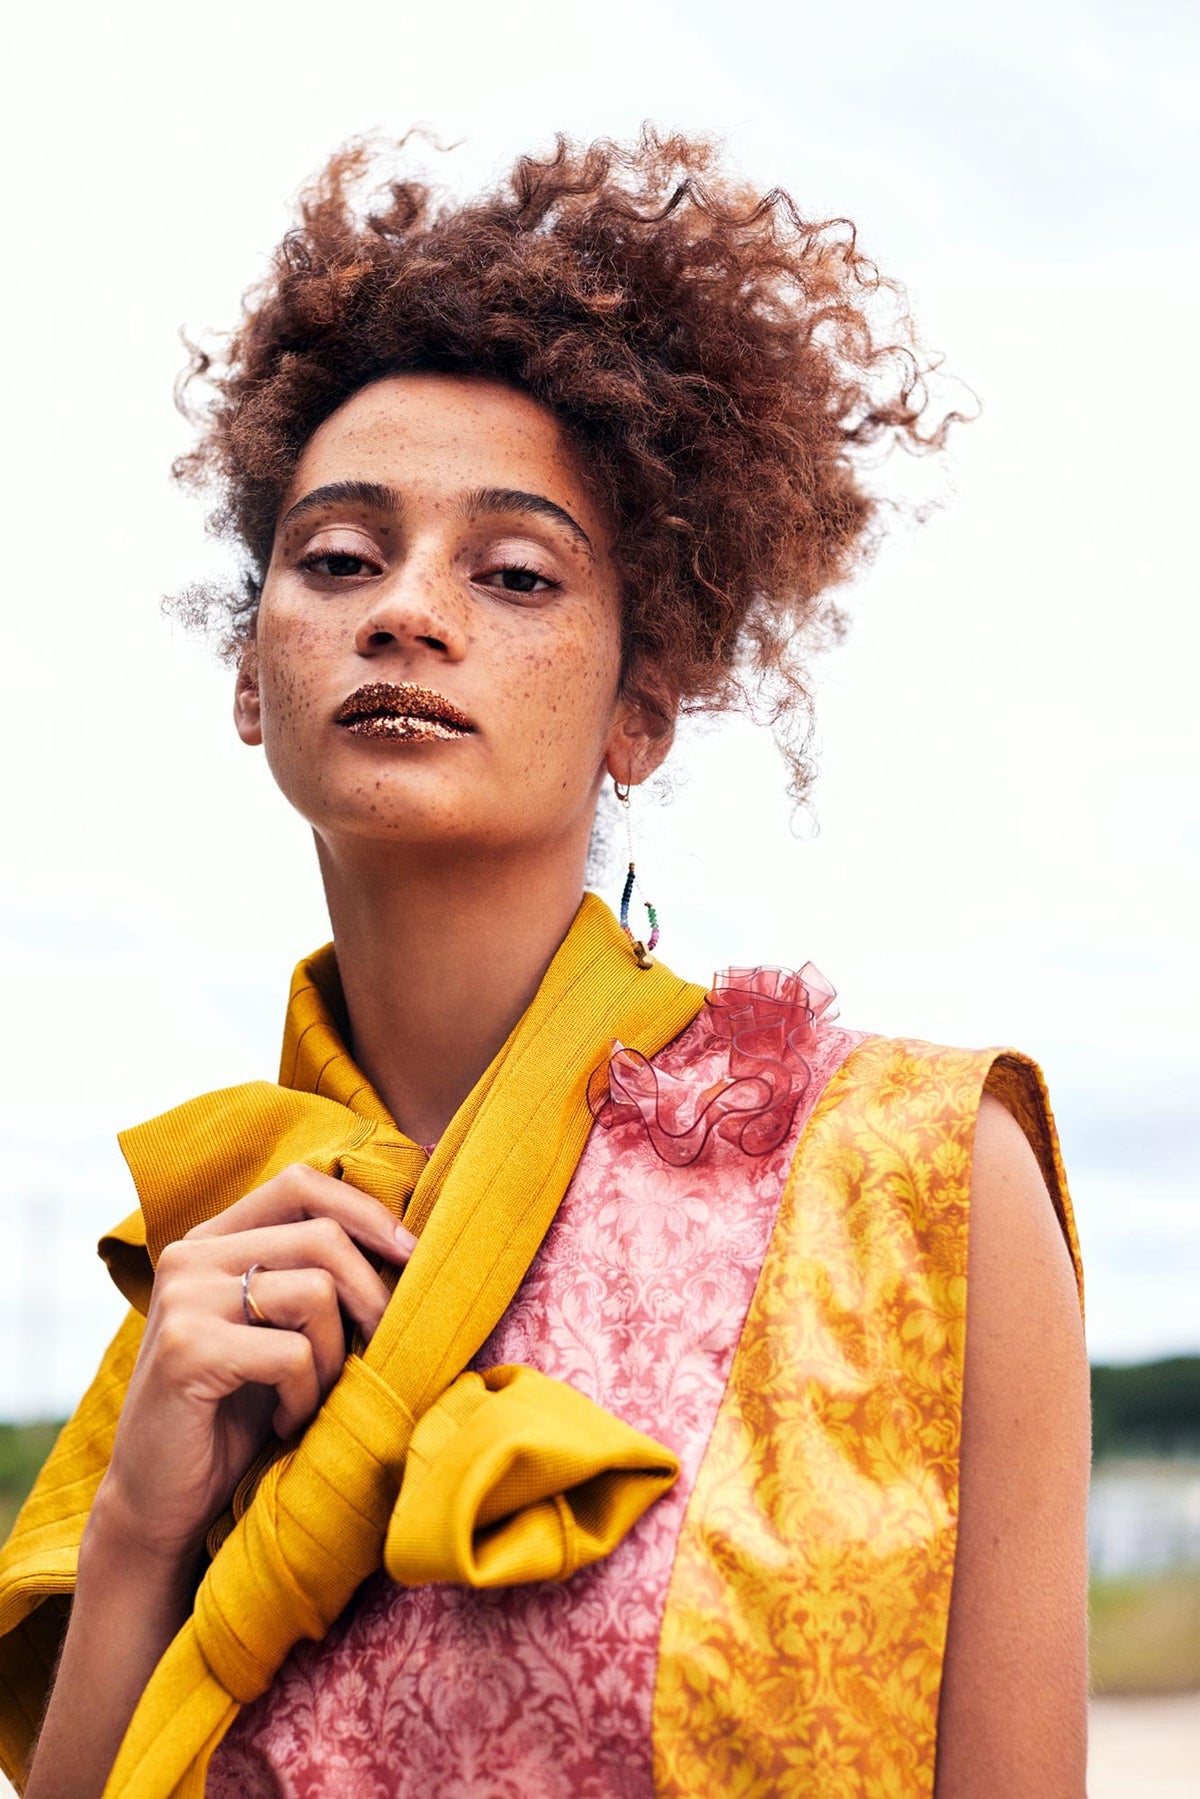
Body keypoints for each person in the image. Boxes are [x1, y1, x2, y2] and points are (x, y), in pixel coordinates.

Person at [0, 129, 1090, 1798]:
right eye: (339, 558)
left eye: (513, 574)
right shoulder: (208, 1276)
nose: (406, 613)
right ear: (250, 677)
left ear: (639, 709)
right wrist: (145, 1530)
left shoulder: (913, 1180)